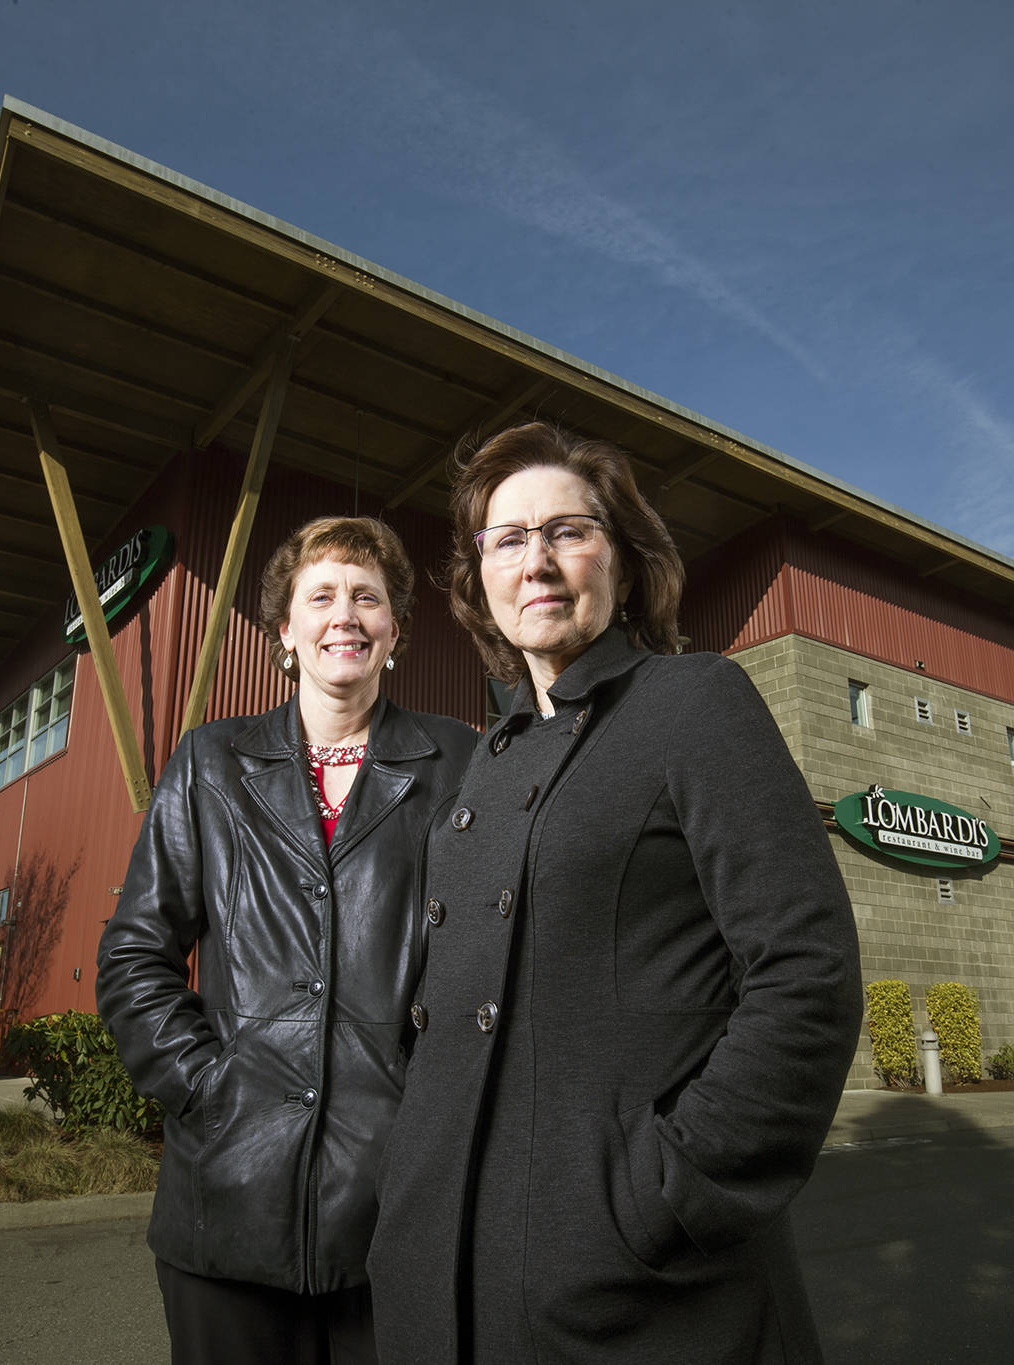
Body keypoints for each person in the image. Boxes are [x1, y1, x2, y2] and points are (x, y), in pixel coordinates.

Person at [368, 423, 863, 1364]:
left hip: (635, 1295)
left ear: (624, 564)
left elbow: (808, 973)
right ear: (480, 581)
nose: (537, 560)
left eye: (568, 531)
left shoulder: (693, 701)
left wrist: (664, 1198)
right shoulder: (479, 768)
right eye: (507, 539)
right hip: (443, 1282)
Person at [97, 515, 477, 1365]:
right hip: (227, 1199)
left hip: (397, 1202)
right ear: (285, 632)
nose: (345, 614)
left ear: (395, 633)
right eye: (323, 595)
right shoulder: (211, 763)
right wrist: (206, 1086)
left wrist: (434, 1108)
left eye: (368, 597)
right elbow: (134, 955)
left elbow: (490, 952)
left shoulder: (458, 760)